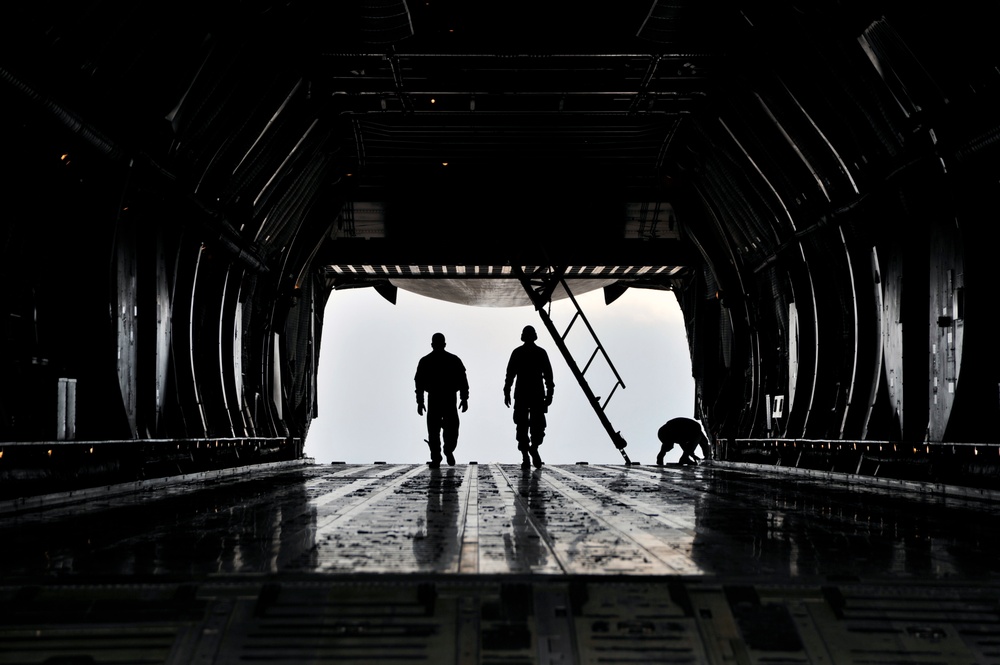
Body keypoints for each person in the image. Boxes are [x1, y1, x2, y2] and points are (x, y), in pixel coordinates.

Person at [414, 333, 469, 468]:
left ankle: (444, 452)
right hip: (443, 399)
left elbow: (462, 380)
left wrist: (420, 402)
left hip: (442, 399)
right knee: (438, 430)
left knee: (442, 430)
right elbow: (419, 383)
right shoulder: (451, 360)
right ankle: (440, 455)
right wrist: (420, 401)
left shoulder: (427, 361)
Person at [503, 325, 554, 469]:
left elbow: (510, 375)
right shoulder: (539, 352)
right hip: (533, 394)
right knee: (528, 425)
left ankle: (529, 452)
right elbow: (548, 376)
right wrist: (550, 394)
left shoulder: (519, 352)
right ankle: (529, 452)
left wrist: (507, 391)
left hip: (526, 394)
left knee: (525, 426)